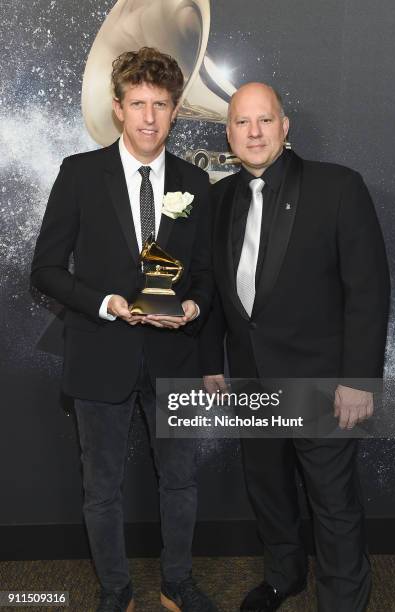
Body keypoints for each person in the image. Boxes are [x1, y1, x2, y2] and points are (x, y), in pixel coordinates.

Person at [31, 47, 216, 612]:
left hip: (174, 360)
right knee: (101, 491)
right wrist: (105, 302)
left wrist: (194, 308)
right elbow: (44, 269)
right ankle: (115, 590)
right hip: (99, 355)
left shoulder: (196, 181)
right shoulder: (79, 173)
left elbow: (206, 275)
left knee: (181, 483)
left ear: (175, 111)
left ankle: (177, 582)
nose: (149, 118)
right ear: (117, 108)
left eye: (160, 105)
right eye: (138, 104)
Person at [201, 82, 390, 611]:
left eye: (265, 120)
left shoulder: (338, 188)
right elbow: (214, 291)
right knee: (269, 491)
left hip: (324, 382)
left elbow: (368, 291)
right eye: (242, 122)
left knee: (332, 503)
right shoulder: (218, 199)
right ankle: (284, 577)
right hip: (250, 379)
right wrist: (211, 362)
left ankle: (343, 600)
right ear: (229, 133)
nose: (254, 131)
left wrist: (358, 379)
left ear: (286, 128)